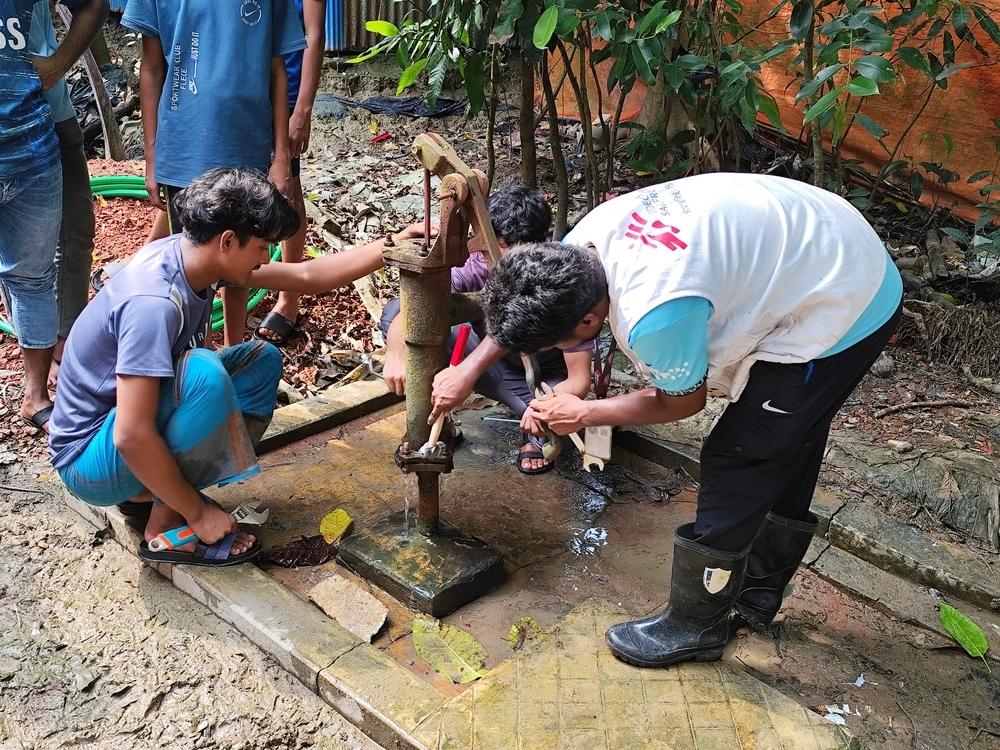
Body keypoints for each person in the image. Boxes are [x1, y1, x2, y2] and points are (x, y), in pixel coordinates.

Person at [434, 173, 903, 668]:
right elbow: (519, 309)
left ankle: (695, 624)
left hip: (847, 300)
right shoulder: (576, 251)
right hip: (820, 239)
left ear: (589, 323)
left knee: (742, 451)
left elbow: (682, 402)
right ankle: (758, 595)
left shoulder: (653, 316)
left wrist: (587, 412)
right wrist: (468, 369)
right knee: (789, 436)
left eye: (557, 342)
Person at [49, 169, 300, 567]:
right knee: (203, 375)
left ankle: (152, 492)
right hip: (89, 460)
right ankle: (164, 527)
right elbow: (130, 435)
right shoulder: (154, 302)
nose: (265, 258)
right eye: (264, 247)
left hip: (118, 438)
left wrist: (390, 245)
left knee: (261, 360)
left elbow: (306, 275)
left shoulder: (193, 258)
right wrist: (200, 515)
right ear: (229, 241)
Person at [121, 0, 305, 343]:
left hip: (246, 146)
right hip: (183, 148)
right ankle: (199, 357)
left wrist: (281, 157)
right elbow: (151, 66)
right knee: (193, 266)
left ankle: (233, 354)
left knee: (242, 265)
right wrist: (153, 156)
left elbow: (277, 70)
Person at [380, 186, 592, 474]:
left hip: (537, 376)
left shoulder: (561, 277)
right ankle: (438, 426)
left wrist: (543, 407)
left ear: (541, 243)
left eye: (520, 246)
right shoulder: (478, 264)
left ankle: (533, 435)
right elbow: (413, 310)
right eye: (502, 244)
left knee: (548, 419)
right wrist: (395, 352)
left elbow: (579, 380)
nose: (508, 257)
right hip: (483, 360)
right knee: (399, 314)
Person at [0, 0, 107, 434]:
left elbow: (94, 4)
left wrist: (58, 63)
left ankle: (51, 368)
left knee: (45, 260)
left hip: (38, 128)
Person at [28, 0, 104, 387]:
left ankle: (66, 342)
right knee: (22, 251)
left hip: (51, 113)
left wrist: (57, 64)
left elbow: (94, 5)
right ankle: (38, 352)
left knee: (75, 227)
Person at [249, 0, 327, 346]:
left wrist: (302, 110)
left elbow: (314, 33)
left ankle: (289, 297)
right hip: (247, 88)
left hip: (287, 91)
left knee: (288, 186)